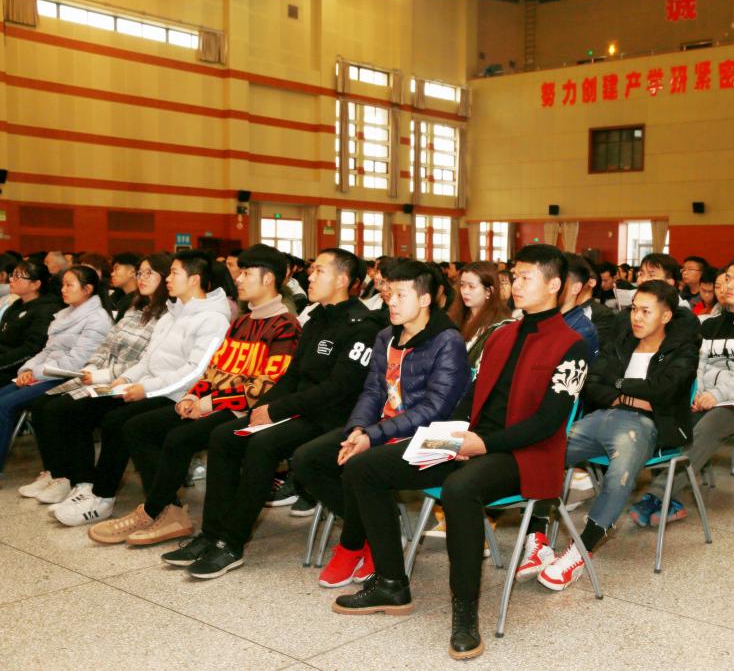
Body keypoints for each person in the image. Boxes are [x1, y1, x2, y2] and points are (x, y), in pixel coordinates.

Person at [332, 245, 588, 661]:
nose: (515, 285)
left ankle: (465, 613)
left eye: (525, 278)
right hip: (473, 442)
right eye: (514, 277)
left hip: (526, 455)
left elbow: (548, 423)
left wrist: (482, 444)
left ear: (554, 284)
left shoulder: (571, 344)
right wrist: (447, 436)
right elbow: (471, 396)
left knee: (460, 489)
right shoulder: (501, 334)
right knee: (365, 467)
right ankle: (391, 583)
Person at [156, 249, 383, 575]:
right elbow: (291, 376)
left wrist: (276, 410)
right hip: (300, 409)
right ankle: (211, 534)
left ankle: (231, 543)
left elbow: (337, 388)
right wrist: (263, 408)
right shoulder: (317, 319)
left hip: (332, 418)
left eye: (320, 271)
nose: (310, 276)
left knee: (263, 445)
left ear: (343, 280)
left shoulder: (362, 325)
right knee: (224, 436)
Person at [84, 246, 300, 541]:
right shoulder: (242, 322)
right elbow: (213, 369)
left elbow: (263, 388)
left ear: (268, 279)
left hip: (245, 410)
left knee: (178, 438)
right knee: (139, 427)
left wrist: (208, 403)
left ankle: (156, 512)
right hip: (215, 403)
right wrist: (192, 397)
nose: (237, 279)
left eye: (246, 273)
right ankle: (164, 512)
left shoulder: (286, 326)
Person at [290, 260, 470, 587]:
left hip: (437, 438)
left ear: (425, 299)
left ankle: (353, 545)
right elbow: (373, 390)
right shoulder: (386, 335)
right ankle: (375, 531)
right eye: (390, 294)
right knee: (306, 459)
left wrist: (372, 435)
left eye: (401, 295)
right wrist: (358, 428)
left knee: (361, 464)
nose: (391, 302)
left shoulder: (447, 341)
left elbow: (435, 409)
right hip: (384, 429)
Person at [518, 280, 699, 590]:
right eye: (634, 309)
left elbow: (663, 391)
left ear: (666, 316)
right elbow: (591, 384)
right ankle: (537, 539)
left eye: (646, 311)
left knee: (620, 471)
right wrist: (627, 395)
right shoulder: (622, 341)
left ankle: (581, 549)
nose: (636, 317)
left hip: (647, 426)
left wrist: (617, 387)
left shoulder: (682, 350)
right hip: (602, 417)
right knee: (546, 451)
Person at [47, 251, 231, 524]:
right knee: (81, 407)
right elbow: (146, 359)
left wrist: (144, 388)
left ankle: (106, 497)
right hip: (150, 386)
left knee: (120, 423)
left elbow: (195, 372)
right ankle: (87, 486)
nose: (167, 279)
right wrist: (125, 379)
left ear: (194, 279)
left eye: (174, 273)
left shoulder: (213, 319)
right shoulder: (171, 315)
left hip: (179, 395)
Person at [630, 257, 734, 525]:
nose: (728, 285)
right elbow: (698, 365)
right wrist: (698, 395)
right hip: (706, 399)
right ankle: (671, 501)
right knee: (666, 420)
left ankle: (657, 495)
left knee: (709, 425)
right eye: (727, 279)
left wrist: (718, 395)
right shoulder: (709, 324)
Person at [27, 254, 172, 515]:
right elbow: (107, 344)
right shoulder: (135, 308)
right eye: (140, 272)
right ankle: (64, 477)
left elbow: (144, 362)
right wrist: (92, 368)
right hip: (105, 377)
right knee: (43, 404)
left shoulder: (167, 316)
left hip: (128, 382)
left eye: (148, 273)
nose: (141, 278)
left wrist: (102, 376)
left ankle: (84, 483)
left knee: (70, 410)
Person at [3, 266, 113, 479]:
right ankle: (51, 472)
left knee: (5, 406)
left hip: (66, 376)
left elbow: (76, 362)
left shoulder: (97, 319)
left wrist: (36, 373)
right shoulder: (65, 313)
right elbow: (47, 350)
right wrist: (28, 369)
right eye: (63, 285)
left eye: (69, 285)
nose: (63, 290)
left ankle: (56, 474)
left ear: (87, 289)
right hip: (46, 372)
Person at [447, 261, 512, 376]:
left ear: (489, 291)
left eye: (471, 286)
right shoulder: (457, 316)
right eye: (462, 285)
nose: (465, 291)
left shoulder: (500, 326)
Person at [0, 260, 60, 384]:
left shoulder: (47, 310)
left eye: (17, 276)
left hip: (17, 369)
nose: (11, 279)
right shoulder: (17, 304)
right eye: (12, 275)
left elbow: (31, 349)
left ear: (35, 284)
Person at [559, 254, 600, 359]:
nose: (553, 286)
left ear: (576, 288)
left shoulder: (583, 331)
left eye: (559, 281)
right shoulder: (549, 319)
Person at [109, 252, 142, 322]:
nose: (112, 274)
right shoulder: (116, 296)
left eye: (116, 269)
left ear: (132, 272)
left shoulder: (139, 302)